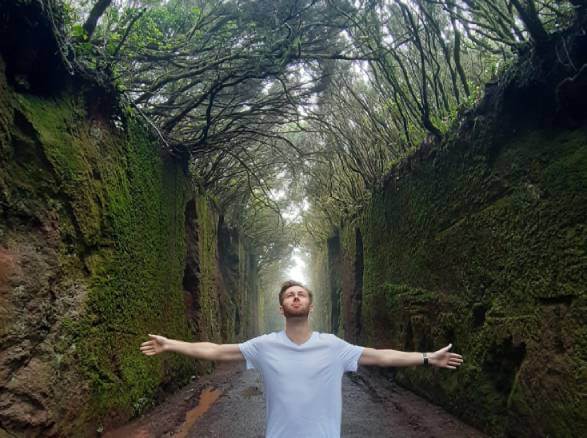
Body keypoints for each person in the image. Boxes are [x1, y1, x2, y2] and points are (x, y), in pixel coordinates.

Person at [140, 280, 464, 438]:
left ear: (310, 306)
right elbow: (215, 350)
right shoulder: (264, 346)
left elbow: (380, 356)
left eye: (301, 294)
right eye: (289, 295)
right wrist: (171, 344)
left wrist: (426, 358)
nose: (296, 297)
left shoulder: (333, 346)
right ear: (282, 308)